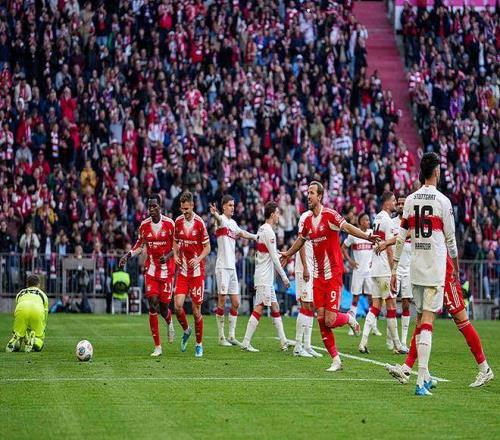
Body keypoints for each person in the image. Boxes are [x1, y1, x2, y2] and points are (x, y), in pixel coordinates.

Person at [280, 181, 379, 372]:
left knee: (330, 320)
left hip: (333, 274)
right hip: (318, 276)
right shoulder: (308, 221)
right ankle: (336, 360)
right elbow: (301, 240)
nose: (308, 196)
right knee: (321, 319)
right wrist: (288, 253)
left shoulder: (330, 215)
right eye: (307, 193)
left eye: (311, 193)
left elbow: (347, 227)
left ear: (320, 196)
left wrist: (367, 237)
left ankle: (348, 318)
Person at [391, 152, 459, 396]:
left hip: (415, 269)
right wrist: (456, 266)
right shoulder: (443, 201)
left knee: (420, 322)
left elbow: (401, 238)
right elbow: (451, 240)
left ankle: (425, 375)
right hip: (434, 270)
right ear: (437, 171)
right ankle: (420, 382)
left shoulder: (410, 200)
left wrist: (394, 268)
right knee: (427, 323)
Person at [119, 193, 175, 357]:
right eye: (149, 206)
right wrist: (128, 255)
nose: (151, 209)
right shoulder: (144, 226)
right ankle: (157, 347)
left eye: (154, 206)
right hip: (151, 270)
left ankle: (169, 321)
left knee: (164, 308)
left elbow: (177, 246)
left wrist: (169, 256)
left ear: (160, 206)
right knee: (152, 304)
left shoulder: (170, 224)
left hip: (167, 271)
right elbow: (139, 245)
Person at [358, 191, 407, 355]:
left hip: (374, 268)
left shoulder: (376, 218)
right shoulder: (387, 220)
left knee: (376, 306)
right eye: (393, 201)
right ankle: (398, 344)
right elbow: (389, 248)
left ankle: (363, 342)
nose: (395, 203)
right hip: (385, 268)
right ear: (387, 202)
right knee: (391, 306)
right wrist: (394, 270)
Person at [241, 201, 290, 353]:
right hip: (264, 277)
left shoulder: (262, 229)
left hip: (264, 276)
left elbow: (269, 253)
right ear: (272, 214)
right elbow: (274, 258)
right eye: (277, 213)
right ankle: (246, 342)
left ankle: (284, 341)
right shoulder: (269, 232)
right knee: (259, 307)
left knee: (275, 307)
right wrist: (284, 277)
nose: (279, 216)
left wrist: (280, 254)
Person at [210, 195, 258, 347]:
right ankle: (221, 337)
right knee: (222, 300)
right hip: (222, 266)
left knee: (236, 302)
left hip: (232, 268)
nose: (233, 208)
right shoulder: (221, 221)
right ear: (224, 206)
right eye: (230, 205)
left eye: (233, 205)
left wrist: (256, 237)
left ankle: (231, 335)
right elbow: (218, 219)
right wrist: (215, 214)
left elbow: (242, 233)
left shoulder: (233, 223)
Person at [173, 191, 211, 358]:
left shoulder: (200, 223)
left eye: (187, 209)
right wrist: (175, 255)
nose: (184, 212)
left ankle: (198, 344)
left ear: (193, 206)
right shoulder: (178, 222)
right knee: (177, 306)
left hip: (196, 273)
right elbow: (175, 241)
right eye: (182, 209)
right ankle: (186, 330)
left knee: (196, 312)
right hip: (183, 271)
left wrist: (198, 259)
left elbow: (208, 247)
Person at [341, 212, 381, 337]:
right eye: (365, 220)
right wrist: (350, 261)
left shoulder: (372, 233)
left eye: (368, 220)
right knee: (355, 298)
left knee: (371, 299)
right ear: (360, 222)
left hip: (369, 271)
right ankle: (352, 325)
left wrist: (374, 261)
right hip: (358, 271)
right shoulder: (354, 235)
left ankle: (373, 327)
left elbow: (379, 247)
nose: (367, 222)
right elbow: (343, 247)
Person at [293, 210, 323, 358]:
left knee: (311, 305)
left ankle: (307, 345)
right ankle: (298, 347)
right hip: (304, 268)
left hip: (313, 268)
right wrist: (305, 266)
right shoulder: (305, 217)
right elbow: (301, 242)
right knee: (305, 304)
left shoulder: (320, 218)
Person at [390, 195, 413, 350]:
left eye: (403, 203)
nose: (400, 205)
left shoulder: (412, 223)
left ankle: (403, 341)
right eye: (398, 203)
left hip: (409, 268)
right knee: (391, 304)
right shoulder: (391, 223)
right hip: (395, 268)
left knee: (406, 304)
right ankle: (393, 340)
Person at [6, 274, 48, 352]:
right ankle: (34, 340)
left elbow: (18, 307)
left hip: (21, 308)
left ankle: (17, 339)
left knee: (19, 332)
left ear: (27, 284)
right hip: (37, 310)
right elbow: (45, 313)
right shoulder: (42, 294)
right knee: (39, 339)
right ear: (38, 284)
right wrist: (43, 327)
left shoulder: (20, 293)